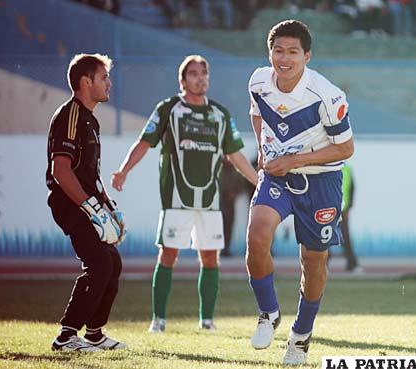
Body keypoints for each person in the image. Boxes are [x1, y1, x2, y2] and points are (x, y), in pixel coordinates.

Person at [111, 55, 257, 332]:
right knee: (168, 256)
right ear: (182, 80)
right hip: (176, 201)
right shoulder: (168, 109)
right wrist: (123, 170)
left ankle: (207, 320)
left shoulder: (220, 114)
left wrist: (258, 180)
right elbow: (145, 143)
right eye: (193, 73)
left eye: (204, 73)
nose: (200, 78)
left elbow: (236, 155)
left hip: (211, 202)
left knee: (211, 258)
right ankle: (159, 320)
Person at [246, 20, 354, 365]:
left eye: (293, 52)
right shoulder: (258, 81)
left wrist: (295, 159)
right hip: (278, 176)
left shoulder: (327, 95)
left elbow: (346, 148)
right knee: (258, 233)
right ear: (269, 53)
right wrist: (265, 149)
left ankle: (300, 337)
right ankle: (268, 313)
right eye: (278, 50)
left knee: (314, 261)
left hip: (320, 182)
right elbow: (257, 114)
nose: (284, 58)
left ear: (307, 55)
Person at [46, 53, 127, 352]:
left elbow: (89, 174)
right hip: (70, 203)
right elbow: (61, 171)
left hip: (86, 203)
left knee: (112, 261)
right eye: (104, 77)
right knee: (99, 261)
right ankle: (67, 336)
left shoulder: (89, 119)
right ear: (86, 81)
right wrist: (90, 208)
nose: (109, 83)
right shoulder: (70, 115)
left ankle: (94, 332)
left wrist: (108, 206)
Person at [341, 163, 360, 271]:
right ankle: (323, 265)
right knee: (325, 238)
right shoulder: (328, 167)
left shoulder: (347, 169)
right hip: (330, 209)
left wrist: (350, 205)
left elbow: (352, 188)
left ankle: (352, 264)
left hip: (344, 209)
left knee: (346, 238)